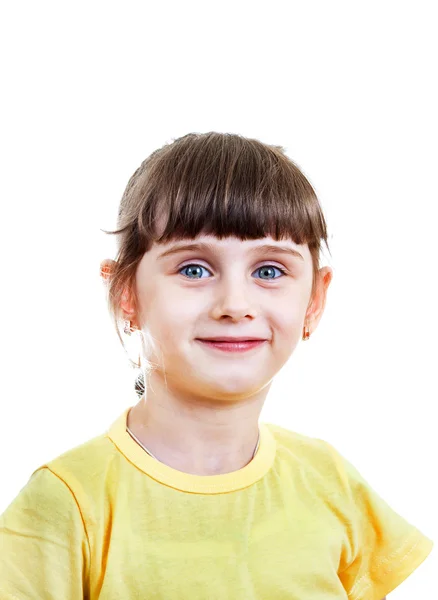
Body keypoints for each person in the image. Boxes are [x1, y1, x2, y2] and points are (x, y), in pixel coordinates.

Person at [0, 132, 433, 599]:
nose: (234, 304)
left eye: (269, 271)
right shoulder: (67, 500)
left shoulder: (331, 482)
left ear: (315, 298)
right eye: (193, 269)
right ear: (126, 293)